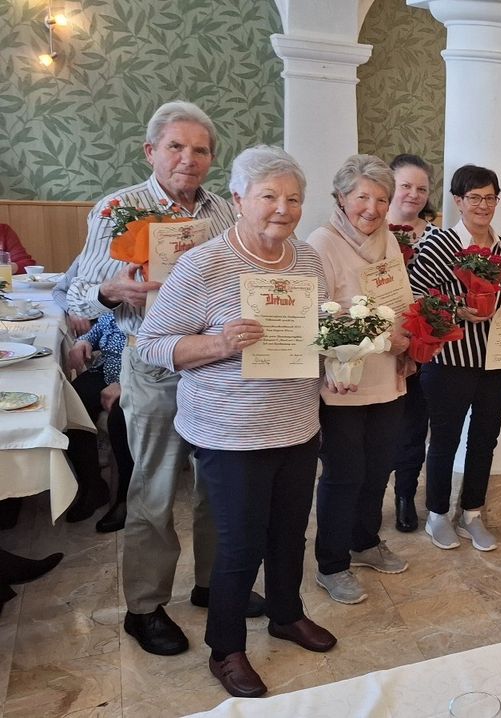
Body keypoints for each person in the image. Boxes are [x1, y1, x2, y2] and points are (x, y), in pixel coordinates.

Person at [137, 145, 336, 698]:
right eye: (269, 196)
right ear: (239, 199)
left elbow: (310, 336)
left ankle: (285, 613)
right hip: (231, 432)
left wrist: (335, 362)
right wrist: (221, 342)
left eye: (293, 198)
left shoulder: (306, 261)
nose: (283, 208)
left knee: (290, 533)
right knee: (240, 544)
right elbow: (150, 345)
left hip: (297, 422)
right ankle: (225, 649)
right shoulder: (205, 263)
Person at [65, 101, 254, 657]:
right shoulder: (118, 209)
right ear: (151, 151)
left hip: (217, 365)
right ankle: (144, 607)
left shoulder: (225, 211)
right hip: (151, 366)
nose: (188, 159)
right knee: (154, 488)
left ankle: (212, 585)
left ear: (212, 158)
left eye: (200, 150)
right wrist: (113, 291)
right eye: (176, 146)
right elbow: (76, 295)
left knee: (217, 485)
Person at [406, 164, 501, 553]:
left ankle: (472, 513)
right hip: (449, 360)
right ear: (458, 201)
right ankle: (437, 514)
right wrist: (459, 308)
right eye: (474, 197)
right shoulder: (439, 244)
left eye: (490, 197)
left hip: (495, 361)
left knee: (485, 438)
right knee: (444, 439)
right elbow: (414, 297)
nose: (483, 205)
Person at [306, 155, 413, 605]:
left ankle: (365, 541)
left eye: (381, 199)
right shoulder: (321, 243)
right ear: (341, 197)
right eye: (362, 197)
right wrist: (379, 331)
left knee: (379, 466)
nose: (372, 208)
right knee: (344, 473)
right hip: (344, 382)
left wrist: (410, 333)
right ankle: (331, 563)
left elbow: (401, 298)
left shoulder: (389, 241)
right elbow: (316, 318)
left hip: (387, 375)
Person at [386, 153, 436, 533]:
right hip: (377, 345)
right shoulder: (370, 230)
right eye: (405, 185)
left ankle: (405, 493)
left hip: (423, 348)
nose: (413, 194)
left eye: (421, 188)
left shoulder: (436, 235)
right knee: (375, 429)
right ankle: (367, 497)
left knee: (414, 427)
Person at [64, 312, 133, 532]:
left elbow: (154, 350)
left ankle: (126, 500)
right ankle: (92, 485)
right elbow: (103, 324)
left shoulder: (161, 299)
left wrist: (126, 383)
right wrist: (84, 340)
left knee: (120, 419)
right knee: (72, 401)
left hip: (142, 378)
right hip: (106, 371)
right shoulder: (123, 296)